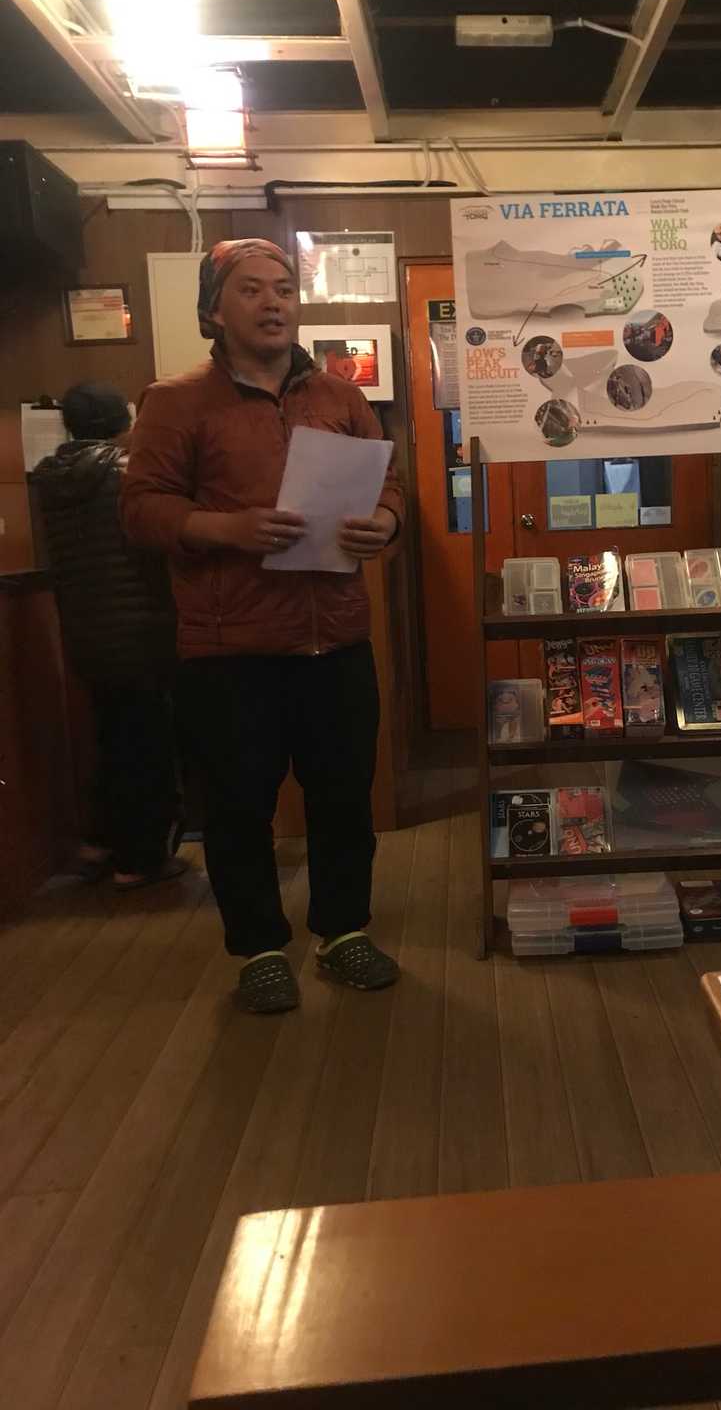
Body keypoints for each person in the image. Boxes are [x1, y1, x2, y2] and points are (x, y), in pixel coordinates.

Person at [122, 239, 405, 1014]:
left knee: (344, 800)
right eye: (251, 290)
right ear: (214, 309)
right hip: (229, 649)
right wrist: (229, 528)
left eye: (283, 288)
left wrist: (385, 521)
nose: (274, 302)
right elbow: (140, 509)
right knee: (239, 810)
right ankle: (259, 950)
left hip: (337, 638)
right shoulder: (175, 401)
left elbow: (391, 484)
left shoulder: (340, 397)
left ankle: (343, 932)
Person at [29, 383, 185, 889]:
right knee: (147, 745)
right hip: (140, 630)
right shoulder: (126, 473)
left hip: (85, 631)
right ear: (125, 421)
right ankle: (139, 859)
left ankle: (100, 842)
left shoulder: (50, 479)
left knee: (111, 737)